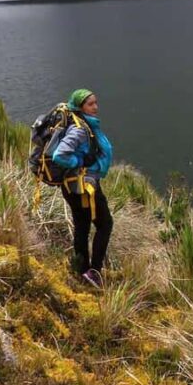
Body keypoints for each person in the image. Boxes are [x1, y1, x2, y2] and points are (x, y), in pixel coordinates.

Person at [52, 88, 114, 288]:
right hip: (84, 186)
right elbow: (59, 155)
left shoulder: (84, 124)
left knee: (82, 226)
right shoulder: (79, 129)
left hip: (72, 187)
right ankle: (94, 272)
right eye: (90, 104)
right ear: (79, 107)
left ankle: (81, 270)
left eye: (96, 102)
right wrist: (80, 161)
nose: (95, 107)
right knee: (105, 224)